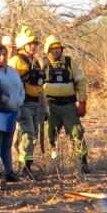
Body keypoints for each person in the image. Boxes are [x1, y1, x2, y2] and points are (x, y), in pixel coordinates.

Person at [42, 35, 90, 173]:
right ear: (47, 51)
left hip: (69, 105)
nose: (55, 51)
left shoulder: (70, 62)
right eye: (52, 49)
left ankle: (83, 163)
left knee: (77, 133)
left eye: (58, 48)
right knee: (50, 134)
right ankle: (52, 165)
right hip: (50, 106)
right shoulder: (43, 64)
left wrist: (82, 102)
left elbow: (81, 82)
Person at [10, 27, 45, 179]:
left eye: (35, 43)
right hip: (22, 104)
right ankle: (23, 168)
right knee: (27, 134)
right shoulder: (15, 61)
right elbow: (10, 84)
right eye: (30, 43)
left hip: (36, 104)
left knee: (34, 135)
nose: (33, 46)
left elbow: (40, 86)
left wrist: (45, 106)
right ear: (22, 45)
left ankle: (27, 167)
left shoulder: (36, 61)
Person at [0, 45, 24, 184]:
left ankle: (9, 171)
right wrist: (4, 99)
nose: (2, 57)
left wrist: (20, 99)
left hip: (12, 111)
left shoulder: (12, 71)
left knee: (7, 143)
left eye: (4, 54)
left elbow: (20, 87)